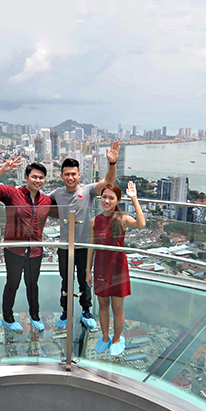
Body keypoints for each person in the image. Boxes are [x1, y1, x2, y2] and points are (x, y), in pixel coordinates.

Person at [49, 140, 119, 331]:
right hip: (65, 246)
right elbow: (41, 205)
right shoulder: (56, 193)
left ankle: (86, 310)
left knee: (85, 279)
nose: (70, 177)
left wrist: (112, 164)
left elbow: (108, 183)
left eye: (73, 174)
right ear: (62, 176)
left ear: (79, 175)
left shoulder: (87, 191)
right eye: (67, 174)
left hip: (84, 246)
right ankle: (65, 312)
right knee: (66, 280)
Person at [0, 157, 53, 333]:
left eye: (41, 178)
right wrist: (3, 170)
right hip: (14, 249)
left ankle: (34, 316)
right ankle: (7, 318)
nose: (38, 181)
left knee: (32, 284)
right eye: (34, 177)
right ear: (27, 177)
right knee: (12, 283)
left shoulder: (46, 201)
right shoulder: (13, 194)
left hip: (36, 250)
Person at [89, 181, 146, 357]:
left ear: (117, 200)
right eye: (104, 197)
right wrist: (87, 270)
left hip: (118, 268)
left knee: (117, 307)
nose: (106, 201)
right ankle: (105, 337)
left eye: (111, 198)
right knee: (102, 304)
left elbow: (141, 224)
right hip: (100, 266)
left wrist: (134, 199)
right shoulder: (94, 221)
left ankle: (116, 338)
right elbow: (91, 246)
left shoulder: (122, 220)